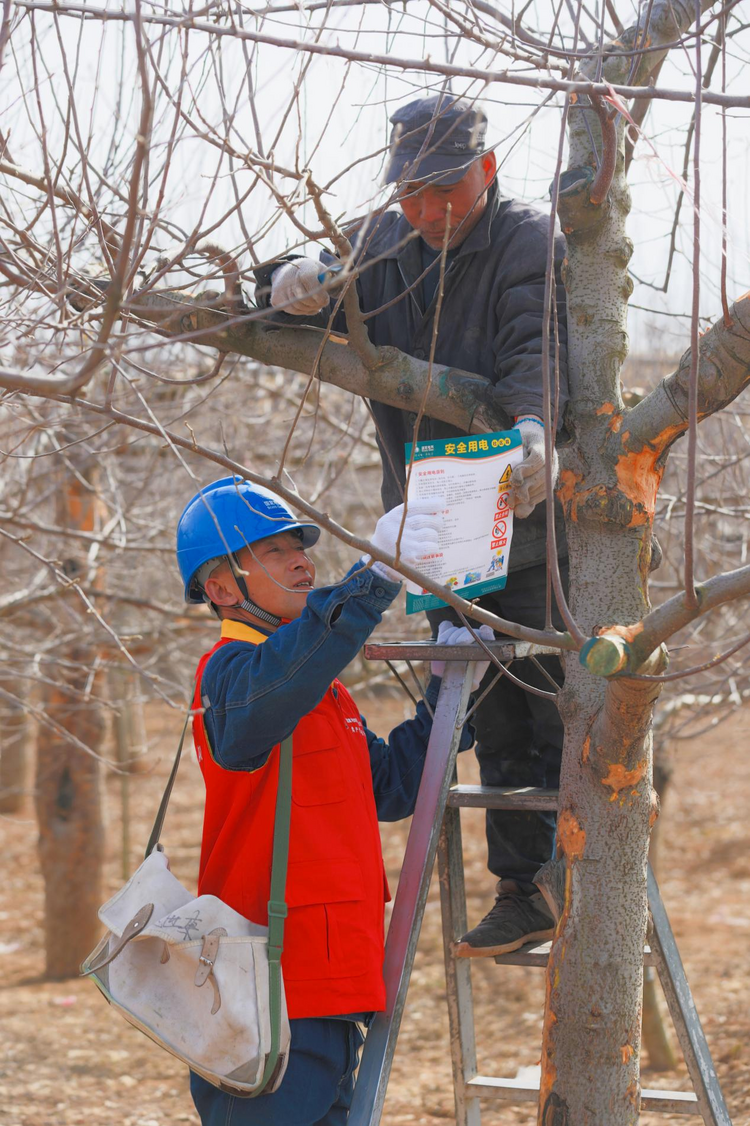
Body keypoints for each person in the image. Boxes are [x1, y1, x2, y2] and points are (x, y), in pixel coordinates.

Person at [254, 94, 569, 958]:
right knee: (489, 709)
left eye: (447, 190)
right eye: (412, 194)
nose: (429, 212)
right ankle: (521, 888)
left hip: (528, 513)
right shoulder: (382, 247)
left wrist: (533, 430)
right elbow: (289, 296)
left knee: (549, 700)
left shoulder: (527, 242)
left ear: (488, 171)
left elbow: (532, 350)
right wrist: (284, 281)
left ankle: (560, 874)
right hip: (438, 525)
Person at [175, 476, 493, 1126]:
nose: (301, 561)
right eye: (273, 551)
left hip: (337, 987)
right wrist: (371, 581)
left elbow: (394, 785)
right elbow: (268, 695)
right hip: (266, 993)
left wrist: (450, 692)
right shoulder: (231, 675)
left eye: (300, 546)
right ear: (221, 589)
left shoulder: (323, 692)